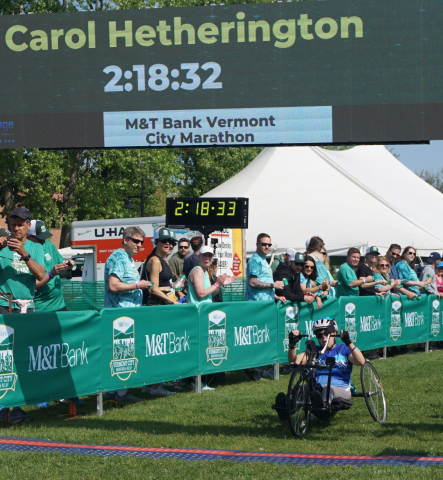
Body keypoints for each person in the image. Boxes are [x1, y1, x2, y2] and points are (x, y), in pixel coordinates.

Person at [0, 208, 45, 423]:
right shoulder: (1, 246)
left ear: (28, 226)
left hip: (27, 308)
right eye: (13, 224)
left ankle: (15, 405)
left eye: (20, 224)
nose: (16, 228)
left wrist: (23, 254)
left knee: (22, 358)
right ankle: (6, 407)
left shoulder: (35, 247)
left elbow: (40, 274)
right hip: (4, 306)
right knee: (4, 358)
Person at [104, 226, 152, 403]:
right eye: (136, 241)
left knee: (124, 354)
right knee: (122, 355)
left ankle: (114, 391)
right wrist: (138, 285)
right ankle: (121, 394)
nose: (139, 245)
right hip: (119, 315)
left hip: (128, 315)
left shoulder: (129, 259)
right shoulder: (118, 257)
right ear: (125, 240)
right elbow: (114, 286)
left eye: (142, 242)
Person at [288, 317, 365, 411]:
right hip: (317, 389)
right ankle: (287, 407)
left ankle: (321, 407)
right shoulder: (314, 351)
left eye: (326, 333)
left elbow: (361, 361)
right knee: (304, 388)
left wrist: (349, 342)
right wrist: (292, 345)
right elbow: (294, 361)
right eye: (319, 335)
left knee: (327, 389)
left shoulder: (343, 349)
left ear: (334, 333)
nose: (323, 337)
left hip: (340, 389)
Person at [187, 246, 235, 390]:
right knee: (198, 350)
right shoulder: (197, 271)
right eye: (205, 256)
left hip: (202, 314)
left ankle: (197, 382)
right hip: (197, 315)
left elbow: (208, 294)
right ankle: (196, 382)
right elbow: (201, 294)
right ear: (199, 257)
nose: (207, 258)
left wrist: (220, 286)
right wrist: (217, 284)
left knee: (201, 349)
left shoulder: (204, 272)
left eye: (210, 256)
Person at [27, 220, 74, 312]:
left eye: (45, 237)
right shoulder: (25, 253)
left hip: (60, 305)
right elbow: (33, 286)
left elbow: (62, 274)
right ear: (28, 236)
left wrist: (68, 268)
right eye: (40, 238)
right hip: (41, 308)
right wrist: (51, 274)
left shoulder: (49, 245)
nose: (44, 241)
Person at [143, 228, 180, 306]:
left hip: (166, 299)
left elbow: (163, 282)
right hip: (158, 302)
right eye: (163, 241)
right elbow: (154, 289)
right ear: (156, 242)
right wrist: (173, 302)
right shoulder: (155, 260)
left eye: (169, 241)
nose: (167, 243)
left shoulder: (165, 260)